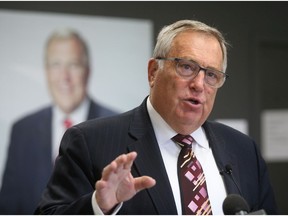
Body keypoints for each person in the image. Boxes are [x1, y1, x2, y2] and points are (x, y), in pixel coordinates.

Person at [35, 20, 278, 215]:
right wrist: (99, 206)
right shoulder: (89, 142)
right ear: (153, 72)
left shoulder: (244, 150)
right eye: (186, 67)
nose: (199, 84)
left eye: (212, 74)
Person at [0, 28, 117, 214]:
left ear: (87, 71)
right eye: (56, 64)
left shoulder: (116, 126)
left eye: (74, 64)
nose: (65, 77)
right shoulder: (22, 130)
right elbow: (8, 206)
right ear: (46, 71)